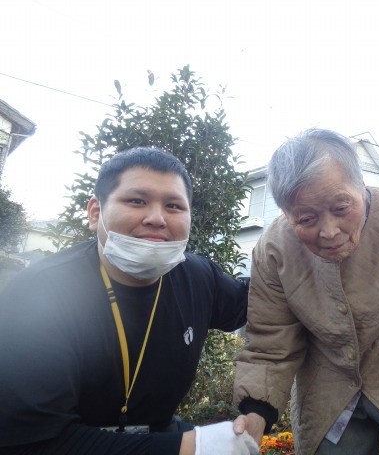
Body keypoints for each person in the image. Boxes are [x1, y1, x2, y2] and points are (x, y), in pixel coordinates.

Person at [0, 147, 259, 455]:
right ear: (95, 213)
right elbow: (32, 440)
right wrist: (198, 446)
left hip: (159, 431)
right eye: (136, 201)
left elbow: (262, 300)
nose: (157, 218)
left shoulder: (198, 277)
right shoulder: (40, 293)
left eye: (174, 206)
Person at [233, 128, 379, 455]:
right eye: (306, 219)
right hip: (327, 383)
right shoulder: (274, 249)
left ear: (361, 185)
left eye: (342, 208)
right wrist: (255, 414)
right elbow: (271, 340)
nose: (329, 232)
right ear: (286, 213)